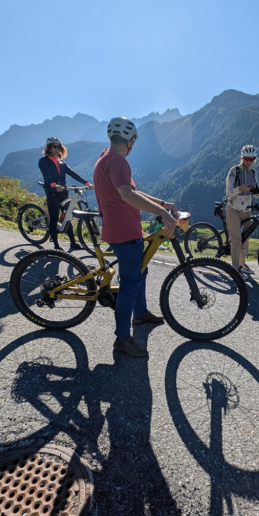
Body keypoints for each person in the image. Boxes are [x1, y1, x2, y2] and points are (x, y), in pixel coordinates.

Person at [94, 117, 179, 359]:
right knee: (129, 285)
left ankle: (140, 314)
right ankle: (122, 339)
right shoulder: (118, 161)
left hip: (121, 229)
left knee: (140, 272)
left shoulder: (105, 156)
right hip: (124, 232)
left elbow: (131, 190)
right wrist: (162, 212)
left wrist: (161, 203)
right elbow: (126, 195)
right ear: (131, 141)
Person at [37, 137, 91, 250]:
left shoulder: (62, 162)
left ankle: (73, 243)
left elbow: (73, 174)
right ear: (49, 148)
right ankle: (56, 246)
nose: (57, 149)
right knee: (54, 218)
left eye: (59, 147)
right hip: (52, 192)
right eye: (54, 147)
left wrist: (86, 183)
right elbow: (47, 175)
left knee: (67, 217)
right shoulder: (43, 161)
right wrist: (53, 185)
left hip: (63, 192)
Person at [225, 144, 259, 276]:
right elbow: (228, 192)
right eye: (247, 158)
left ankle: (241, 265)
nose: (249, 162)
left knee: (245, 240)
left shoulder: (253, 173)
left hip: (246, 210)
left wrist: (257, 192)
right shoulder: (234, 171)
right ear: (242, 157)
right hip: (233, 209)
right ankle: (234, 270)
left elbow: (256, 194)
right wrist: (240, 189)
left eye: (252, 159)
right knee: (236, 241)